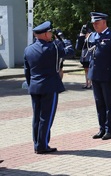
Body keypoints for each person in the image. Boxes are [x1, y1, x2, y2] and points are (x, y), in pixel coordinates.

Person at [24, 21, 74, 154]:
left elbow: (27, 71)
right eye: (50, 32)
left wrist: (31, 84)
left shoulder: (28, 49)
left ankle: (37, 143)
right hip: (49, 87)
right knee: (46, 117)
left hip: (35, 87)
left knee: (37, 117)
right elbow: (70, 51)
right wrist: (63, 38)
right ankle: (42, 145)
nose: (51, 34)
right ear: (45, 34)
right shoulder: (53, 48)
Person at [87, 12, 111, 140]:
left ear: (104, 22)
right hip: (95, 75)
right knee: (99, 103)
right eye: (93, 24)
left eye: (97, 23)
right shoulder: (92, 36)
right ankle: (101, 128)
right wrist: (81, 36)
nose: (95, 25)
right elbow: (82, 49)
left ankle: (109, 129)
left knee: (109, 104)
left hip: (107, 76)